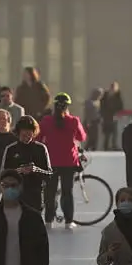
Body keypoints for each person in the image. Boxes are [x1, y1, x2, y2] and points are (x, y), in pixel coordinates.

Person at [36, 93, 88, 228]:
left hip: (50, 161)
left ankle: (48, 221)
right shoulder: (74, 121)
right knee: (67, 192)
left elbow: (38, 138)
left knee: (50, 192)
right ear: (67, 106)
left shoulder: (46, 121)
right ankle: (68, 221)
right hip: (69, 162)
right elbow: (82, 137)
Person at [0, 115, 54, 213]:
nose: (27, 138)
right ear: (18, 133)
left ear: (34, 133)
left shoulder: (41, 148)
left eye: (30, 134)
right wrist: (18, 171)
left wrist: (36, 169)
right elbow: (3, 174)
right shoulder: (11, 149)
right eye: (24, 135)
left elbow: (49, 174)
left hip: (35, 196)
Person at [99, 81, 125, 151]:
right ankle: (106, 147)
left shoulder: (118, 96)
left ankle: (114, 146)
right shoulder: (105, 95)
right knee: (107, 133)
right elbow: (102, 106)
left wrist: (118, 114)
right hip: (106, 117)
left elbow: (120, 106)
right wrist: (102, 115)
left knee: (114, 133)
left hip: (114, 117)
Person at [83, 88, 103, 152]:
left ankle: (94, 149)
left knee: (95, 137)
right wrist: (88, 121)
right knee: (91, 137)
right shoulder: (89, 102)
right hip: (90, 122)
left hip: (96, 122)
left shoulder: (99, 102)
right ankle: (86, 149)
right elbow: (87, 112)